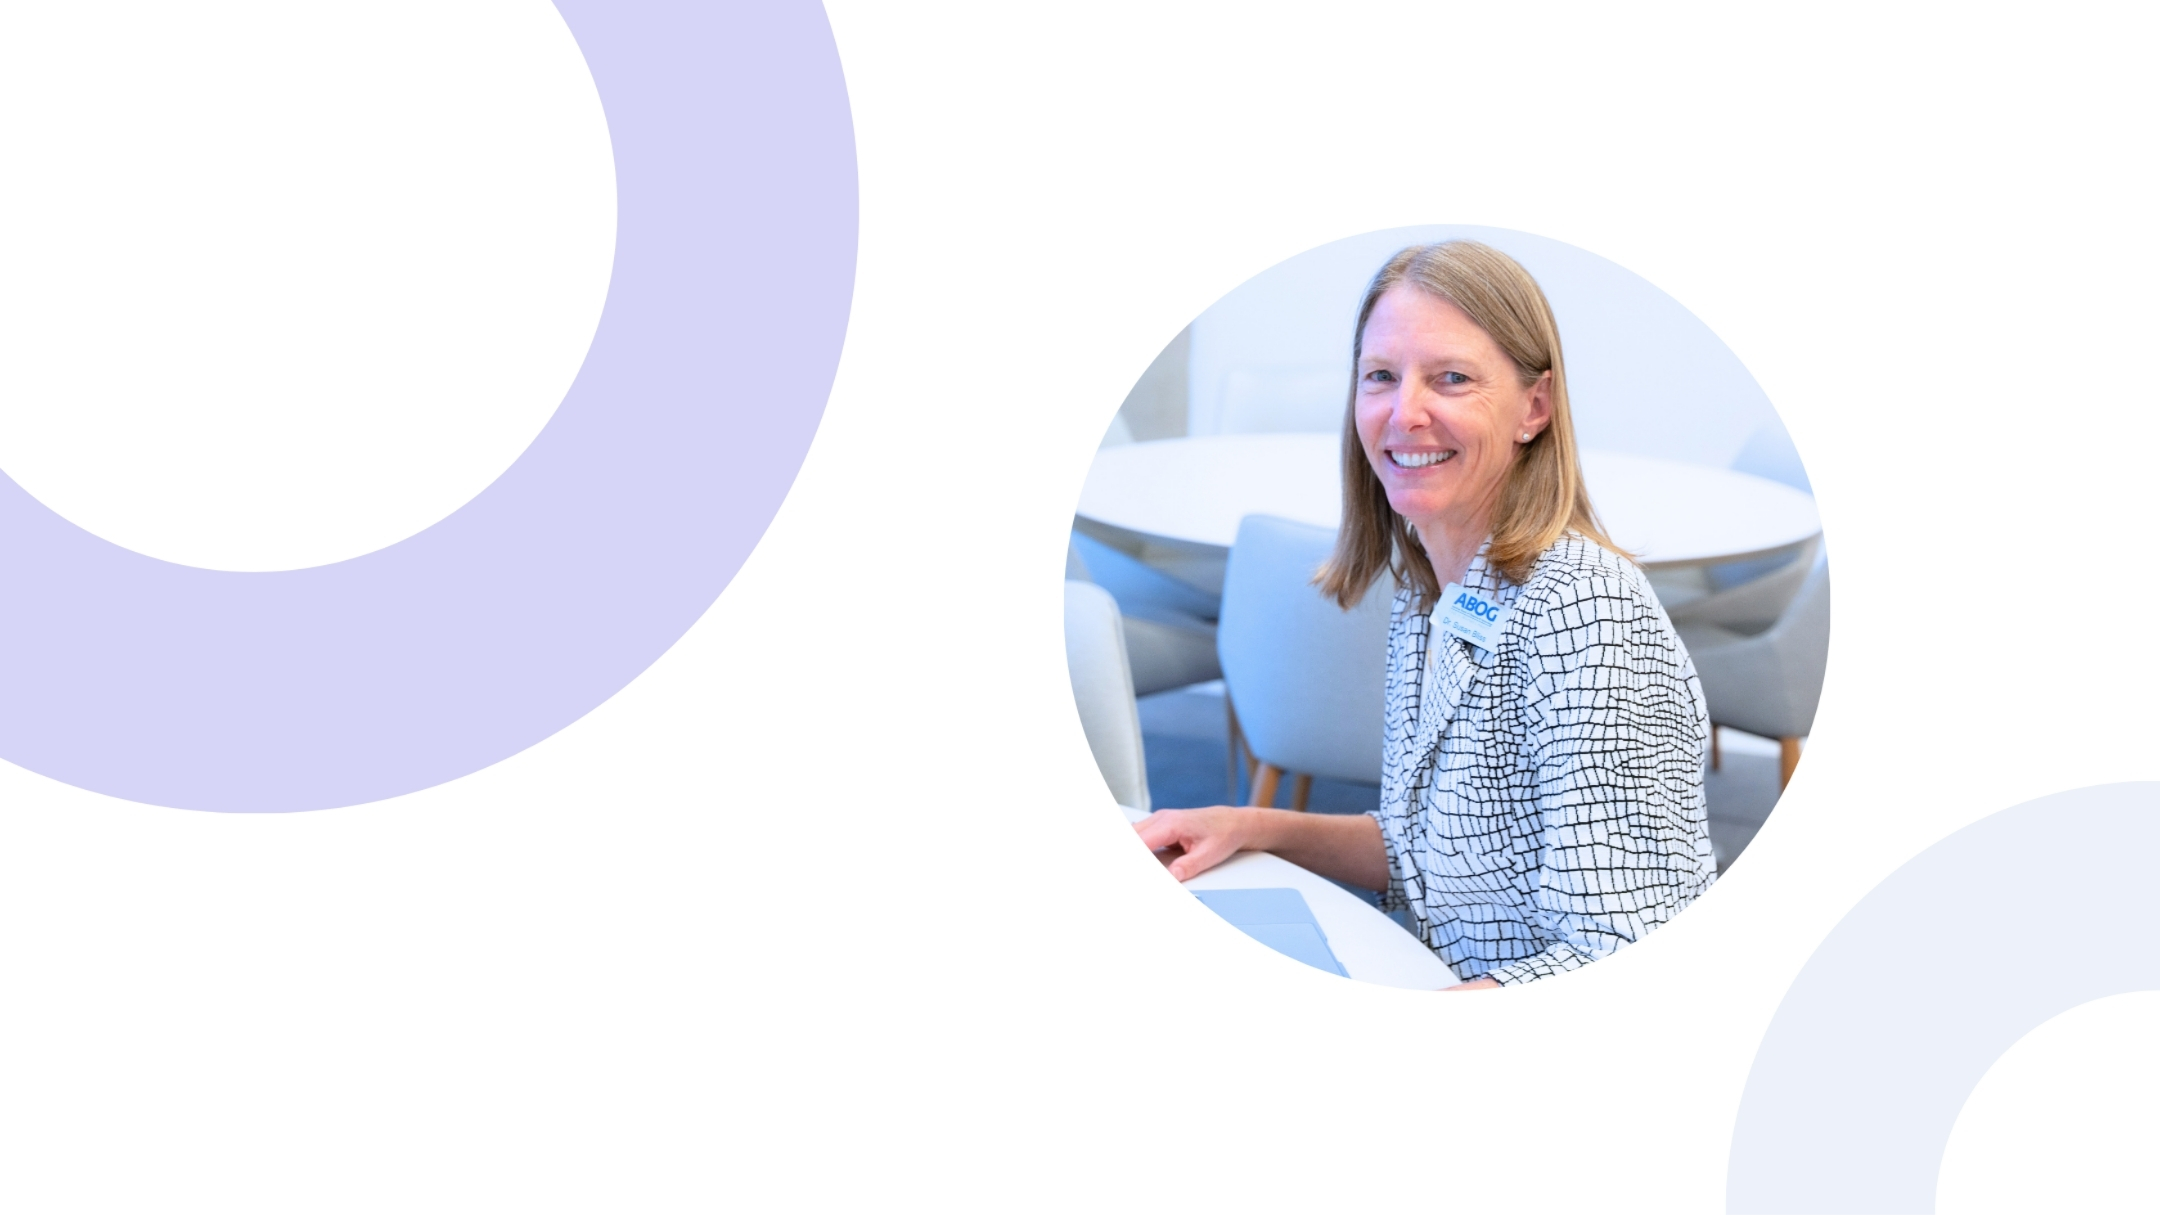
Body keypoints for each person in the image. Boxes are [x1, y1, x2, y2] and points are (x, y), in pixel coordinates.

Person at [1135, 241, 1716, 988]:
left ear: (1533, 407)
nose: (1404, 413)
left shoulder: (1587, 613)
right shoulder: (1434, 585)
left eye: (1451, 378)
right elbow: (1424, 852)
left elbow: (1621, 953)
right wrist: (1249, 826)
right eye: (1380, 376)